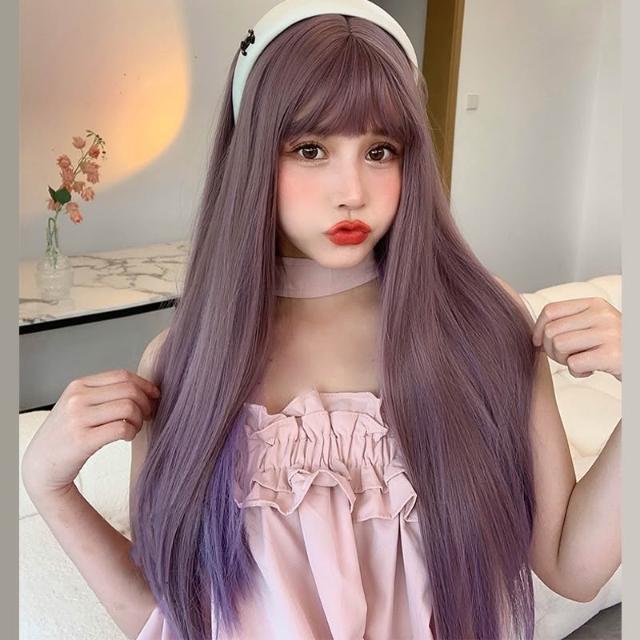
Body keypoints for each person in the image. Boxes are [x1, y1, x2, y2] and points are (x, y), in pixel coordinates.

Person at [21, 1, 622, 639]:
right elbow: (168, 609)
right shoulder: (185, 360)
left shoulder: (479, 322)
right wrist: (48, 486)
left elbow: (571, 567)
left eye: (380, 150)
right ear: (255, 156)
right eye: (311, 149)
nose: (352, 191)